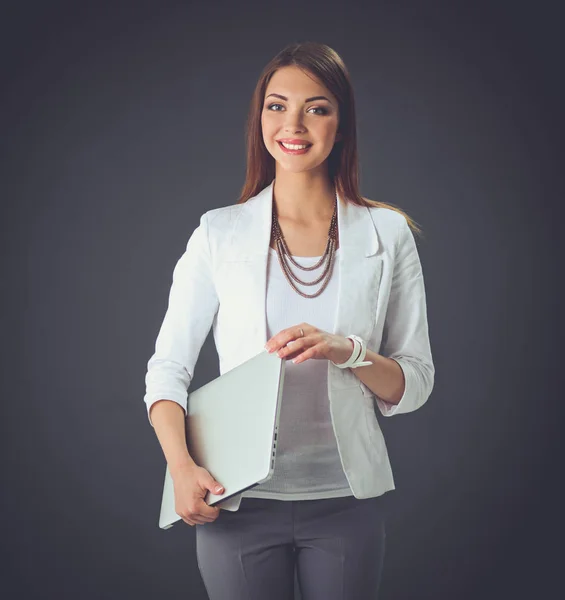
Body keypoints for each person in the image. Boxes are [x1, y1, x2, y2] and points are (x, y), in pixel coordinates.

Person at [143, 41, 434, 600]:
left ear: (341, 124)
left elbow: (414, 383)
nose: (293, 124)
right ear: (260, 119)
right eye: (277, 106)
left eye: (317, 107)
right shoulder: (218, 233)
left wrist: (346, 350)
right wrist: (181, 469)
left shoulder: (388, 234)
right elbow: (168, 368)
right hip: (236, 500)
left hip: (346, 504)